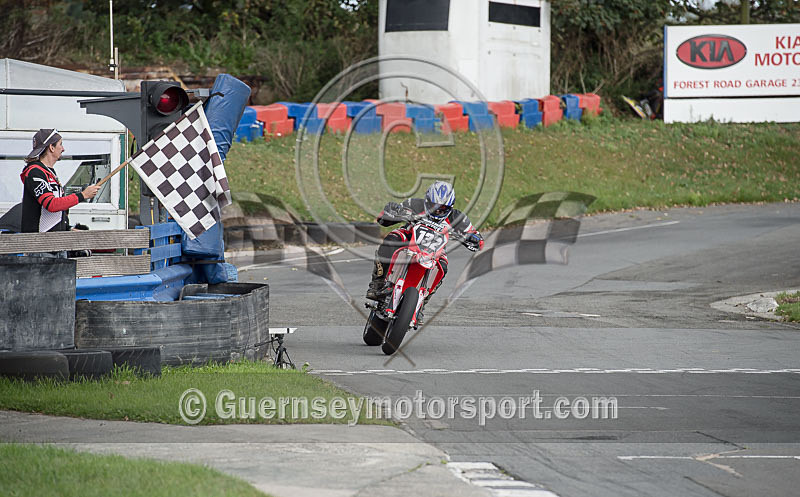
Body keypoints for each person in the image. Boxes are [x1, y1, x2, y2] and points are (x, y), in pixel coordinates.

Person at [366, 181, 484, 324]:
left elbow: (476, 237)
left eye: (443, 209)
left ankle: (422, 303)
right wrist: (391, 211)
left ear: (450, 207)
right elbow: (384, 218)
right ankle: (378, 282)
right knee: (391, 239)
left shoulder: (458, 218)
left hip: (436, 250)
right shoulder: (414, 204)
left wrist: (475, 238)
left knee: (443, 266)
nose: (438, 211)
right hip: (409, 237)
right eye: (434, 206)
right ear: (427, 200)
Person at [20, 129, 100, 235]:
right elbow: (51, 205)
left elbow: (54, 215)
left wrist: (68, 228)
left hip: (56, 243)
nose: (63, 149)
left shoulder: (49, 172)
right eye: (60, 144)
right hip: (40, 245)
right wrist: (83, 195)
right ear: (51, 147)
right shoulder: (35, 173)